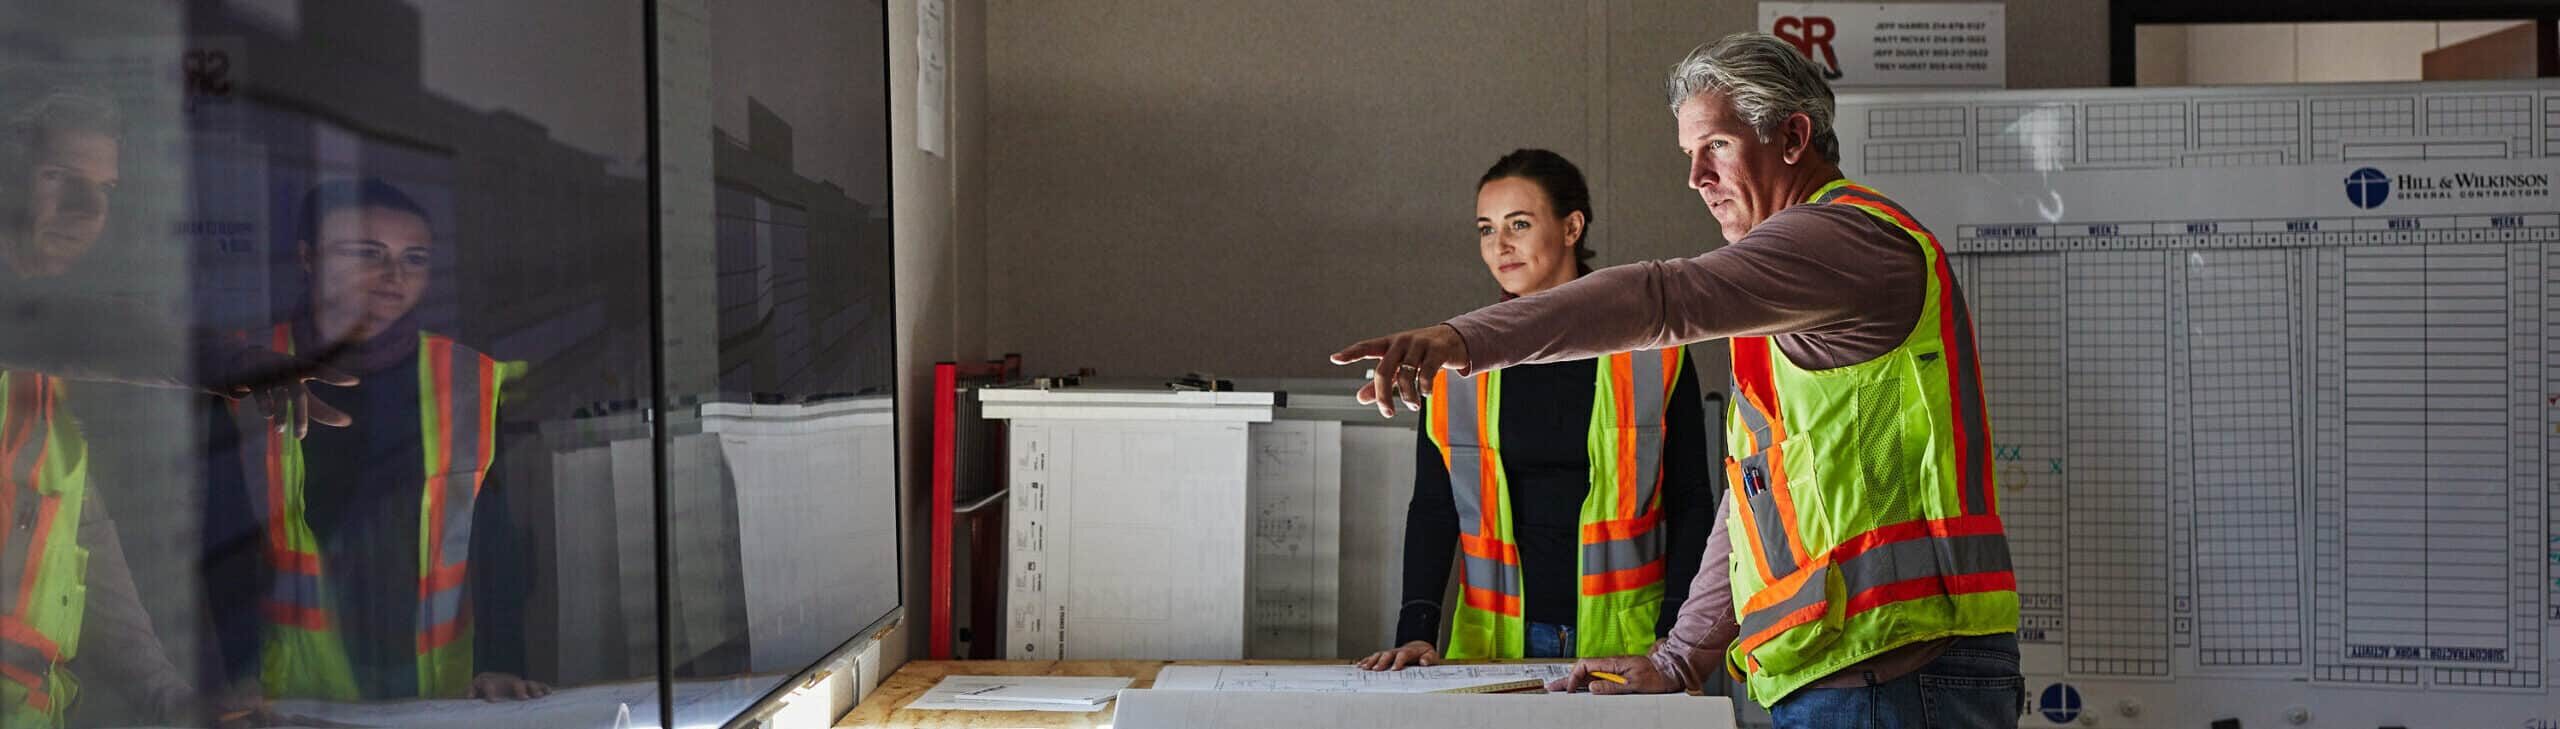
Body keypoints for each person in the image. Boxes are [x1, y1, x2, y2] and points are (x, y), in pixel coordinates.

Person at [1330, 33, 2022, 728]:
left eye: (1715, 146)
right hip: (1848, 670)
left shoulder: (1842, 240)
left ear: (1793, 136)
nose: (1696, 176)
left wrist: (1463, 337)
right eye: (1688, 154)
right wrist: (1681, 655)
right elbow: (1754, 499)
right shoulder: (1787, 298)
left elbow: (1663, 297)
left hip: (1896, 674)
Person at [1354, 150, 1710, 670]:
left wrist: (1676, 632)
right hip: (1495, 644)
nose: (1500, 245)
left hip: (1631, 643)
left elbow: (1692, 501)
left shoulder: (1652, 351)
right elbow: (1434, 508)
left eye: (1519, 224)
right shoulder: (1455, 363)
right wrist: (1416, 631)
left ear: (1572, 228)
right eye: (1486, 228)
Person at [203, 178, 548, 702]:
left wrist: (501, 662)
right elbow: (224, 541)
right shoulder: (250, 371)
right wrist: (243, 672)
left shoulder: (462, 376)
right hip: (292, 690)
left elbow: (492, 539)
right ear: (308, 258)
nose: (394, 276)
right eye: (369, 253)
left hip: (440, 686)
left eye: (415, 258)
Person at [0, 79, 248, 728]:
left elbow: (82, 535)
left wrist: (168, 697)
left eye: (104, 189)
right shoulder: (36, 336)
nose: (86, 208)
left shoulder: (41, 387)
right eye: (59, 176)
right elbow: (70, 330)